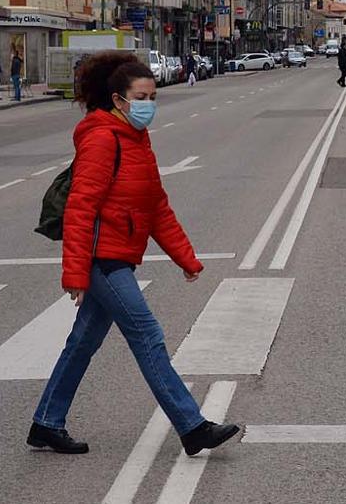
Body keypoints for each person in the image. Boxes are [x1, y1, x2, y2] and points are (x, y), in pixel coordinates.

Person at [28, 52, 239, 456]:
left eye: (153, 96)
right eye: (141, 96)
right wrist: (74, 272)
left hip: (118, 254)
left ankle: (46, 423)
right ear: (118, 100)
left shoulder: (137, 139)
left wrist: (186, 258)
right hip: (102, 258)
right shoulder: (103, 139)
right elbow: (80, 207)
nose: (149, 105)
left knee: (82, 343)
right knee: (147, 335)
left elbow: (155, 205)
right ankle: (192, 427)